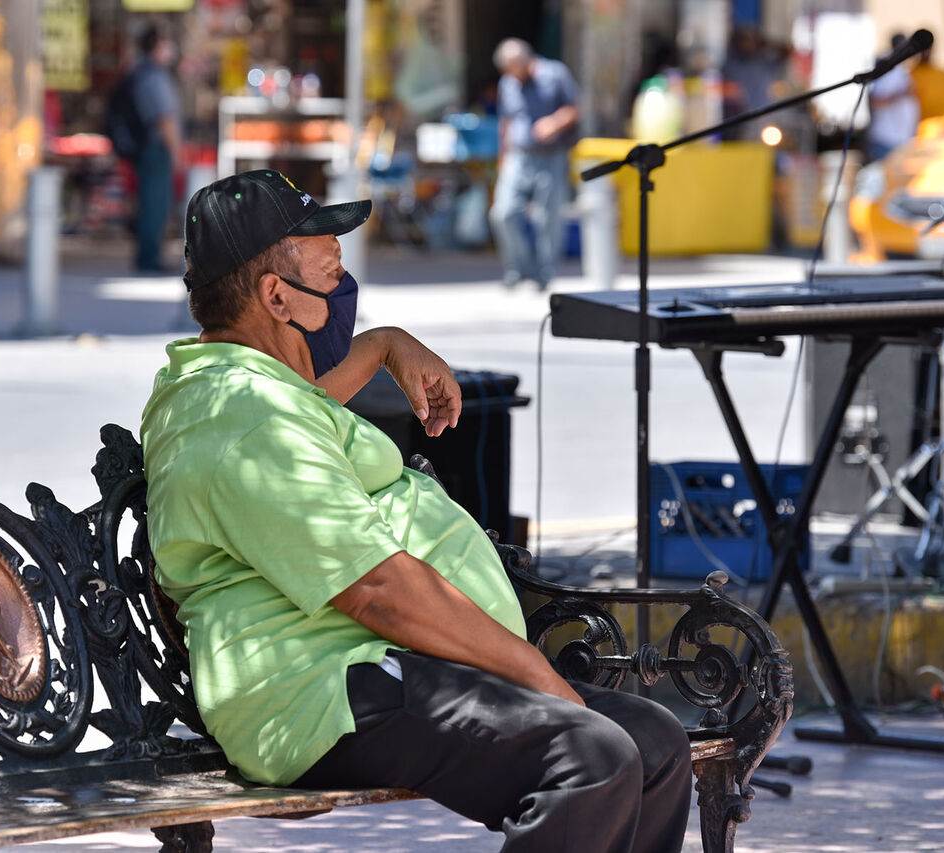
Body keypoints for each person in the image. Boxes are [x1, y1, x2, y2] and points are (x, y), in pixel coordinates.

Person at [141, 169, 693, 852]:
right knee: (589, 756)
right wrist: (537, 674)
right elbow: (377, 588)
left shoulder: (244, 389)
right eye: (328, 266)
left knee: (654, 740)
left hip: (373, 661)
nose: (343, 281)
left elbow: (303, 412)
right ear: (276, 296)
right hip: (317, 689)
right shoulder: (245, 419)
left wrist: (381, 345)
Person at [489, 39, 580, 290]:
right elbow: (506, 121)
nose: (511, 75)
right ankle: (519, 269)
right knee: (503, 213)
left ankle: (545, 273)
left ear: (527, 61)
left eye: (514, 68)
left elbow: (574, 109)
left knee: (547, 218)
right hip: (518, 155)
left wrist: (553, 123)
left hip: (551, 155)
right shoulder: (508, 83)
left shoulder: (555, 74)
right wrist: (502, 156)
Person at [128, 24, 182, 273]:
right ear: (156, 46)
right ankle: (149, 257)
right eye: (165, 43)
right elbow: (165, 119)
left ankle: (148, 255)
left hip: (147, 148)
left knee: (151, 201)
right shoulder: (155, 77)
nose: (170, 48)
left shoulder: (141, 73)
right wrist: (177, 153)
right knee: (155, 203)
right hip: (156, 148)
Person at [866, 33, 920, 162]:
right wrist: (902, 94)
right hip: (887, 141)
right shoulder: (887, 68)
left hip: (901, 141)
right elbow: (875, 101)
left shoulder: (902, 68)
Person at [910, 44, 944, 121]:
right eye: (923, 49)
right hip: (925, 125)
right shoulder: (911, 76)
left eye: (928, 48)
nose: (926, 52)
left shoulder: (942, 74)